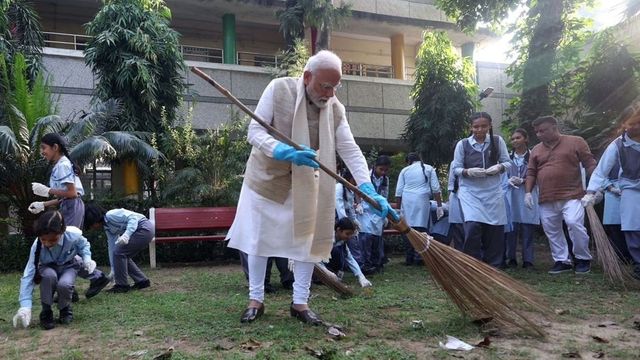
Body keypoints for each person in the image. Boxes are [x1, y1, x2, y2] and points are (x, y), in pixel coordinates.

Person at [226, 50, 397, 325]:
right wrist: (282, 150)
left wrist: (367, 187)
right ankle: (256, 299)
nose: (329, 94)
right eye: (324, 86)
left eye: (335, 87)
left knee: (306, 242)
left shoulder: (335, 109)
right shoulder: (278, 89)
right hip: (266, 180)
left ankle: (300, 303)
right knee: (259, 241)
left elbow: (350, 149)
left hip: (305, 184)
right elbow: (254, 133)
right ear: (307, 77)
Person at [28, 133, 110, 299]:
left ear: (55, 147)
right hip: (70, 205)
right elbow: (65, 195)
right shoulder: (62, 164)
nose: (42, 152)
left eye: (44, 148)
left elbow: (71, 193)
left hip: (72, 206)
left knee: (66, 245)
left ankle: (95, 278)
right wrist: (43, 204)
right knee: (65, 245)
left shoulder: (63, 165)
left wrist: (47, 191)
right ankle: (71, 288)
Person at [525, 116, 597, 274]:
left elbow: (590, 163)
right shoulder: (536, 149)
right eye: (536, 132)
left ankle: (583, 258)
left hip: (572, 194)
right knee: (551, 229)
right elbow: (531, 172)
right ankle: (562, 260)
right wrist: (528, 193)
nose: (539, 134)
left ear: (554, 127)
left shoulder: (576, 141)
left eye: (542, 130)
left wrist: (595, 188)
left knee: (574, 224)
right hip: (546, 197)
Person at [13, 211, 97, 330]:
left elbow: (84, 245)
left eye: (52, 240)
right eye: (43, 240)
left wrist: (87, 258)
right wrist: (25, 305)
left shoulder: (73, 235)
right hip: (47, 267)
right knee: (48, 276)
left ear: (62, 232)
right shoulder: (36, 246)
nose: (47, 243)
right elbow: (29, 273)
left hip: (69, 266)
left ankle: (65, 309)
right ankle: (46, 312)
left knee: (65, 284)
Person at [582, 104, 640, 279]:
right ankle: (639, 264)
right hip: (630, 191)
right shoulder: (617, 145)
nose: (636, 126)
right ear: (623, 124)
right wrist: (591, 192)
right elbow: (601, 170)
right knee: (632, 228)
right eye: (632, 123)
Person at [451, 112, 511, 268]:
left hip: (492, 190)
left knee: (495, 229)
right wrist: (467, 172)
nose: (479, 130)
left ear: (490, 126)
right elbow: (456, 168)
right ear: (470, 127)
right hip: (470, 191)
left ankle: (494, 265)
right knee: (472, 227)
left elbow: (507, 162)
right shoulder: (462, 144)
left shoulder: (497, 141)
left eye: (484, 126)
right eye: (476, 126)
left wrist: (499, 167)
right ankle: (473, 265)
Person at [84, 204, 154, 293]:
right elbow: (112, 247)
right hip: (142, 230)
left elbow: (133, 218)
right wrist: (113, 268)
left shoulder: (111, 215)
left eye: (91, 225)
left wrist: (126, 235)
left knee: (120, 253)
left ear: (95, 218)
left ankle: (122, 285)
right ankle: (142, 281)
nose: (92, 228)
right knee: (121, 254)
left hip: (144, 228)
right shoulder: (107, 227)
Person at [395, 152, 443, 265]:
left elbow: (398, 192)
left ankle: (409, 257)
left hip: (407, 202)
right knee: (422, 230)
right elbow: (436, 189)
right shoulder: (429, 168)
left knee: (407, 230)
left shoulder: (405, 171)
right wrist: (439, 206)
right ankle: (420, 257)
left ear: (408, 161)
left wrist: (398, 209)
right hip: (422, 201)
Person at [504, 128, 539, 269]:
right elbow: (501, 176)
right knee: (511, 228)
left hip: (528, 193)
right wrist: (508, 180)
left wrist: (524, 181)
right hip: (511, 194)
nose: (515, 141)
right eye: (512, 139)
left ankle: (528, 259)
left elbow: (539, 175)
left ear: (526, 139)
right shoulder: (507, 158)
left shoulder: (533, 156)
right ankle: (511, 258)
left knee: (527, 227)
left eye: (518, 138)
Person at [357, 155, 392, 274]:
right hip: (365, 210)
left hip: (378, 211)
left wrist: (386, 213)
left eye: (386, 170)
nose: (383, 172)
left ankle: (377, 263)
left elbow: (385, 195)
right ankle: (365, 264)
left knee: (377, 239)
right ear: (375, 166)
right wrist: (358, 204)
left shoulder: (385, 180)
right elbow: (358, 190)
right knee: (366, 238)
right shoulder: (365, 176)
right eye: (381, 169)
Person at [320, 217, 372, 287]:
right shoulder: (326, 239)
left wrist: (361, 277)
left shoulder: (342, 242)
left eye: (351, 234)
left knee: (341, 251)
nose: (349, 237)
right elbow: (316, 260)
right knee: (336, 251)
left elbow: (350, 258)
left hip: (330, 267)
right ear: (338, 230)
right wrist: (327, 273)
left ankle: (335, 275)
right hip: (318, 266)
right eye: (347, 234)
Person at [335, 168, 362, 262]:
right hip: (338, 221)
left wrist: (355, 221)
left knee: (353, 239)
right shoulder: (339, 187)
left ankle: (358, 262)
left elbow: (350, 209)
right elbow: (339, 207)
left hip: (345, 221)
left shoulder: (350, 190)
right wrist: (347, 224)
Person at [446, 162, 465, 251]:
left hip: (470, 197)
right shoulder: (454, 163)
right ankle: (460, 254)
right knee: (457, 227)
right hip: (456, 196)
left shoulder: (473, 160)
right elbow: (451, 183)